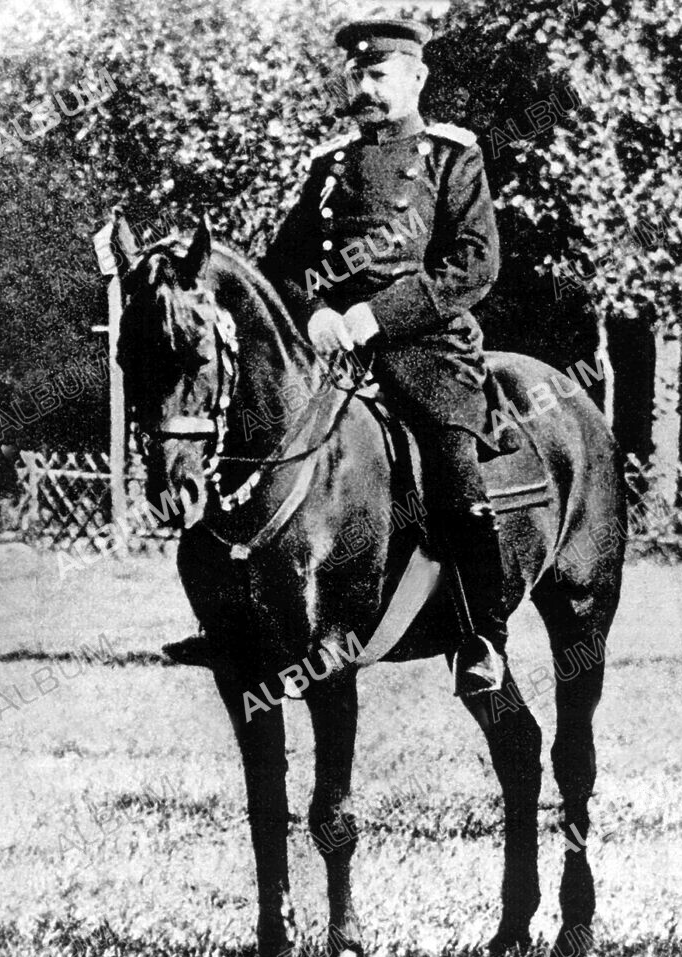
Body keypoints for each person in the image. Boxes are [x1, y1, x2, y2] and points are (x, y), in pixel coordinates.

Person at [167, 17, 512, 695]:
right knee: (245, 450)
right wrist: (319, 311)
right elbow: (280, 268)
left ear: (416, 77)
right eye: (355, 75)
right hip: (329, 354)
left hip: (428, 350)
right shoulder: (327, 166)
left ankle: (481, 636)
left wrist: (375, 315)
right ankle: (232, 621)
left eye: (378, 75)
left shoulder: (451, 156)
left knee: (453, 471)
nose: (364, 88)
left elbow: (475, 263)